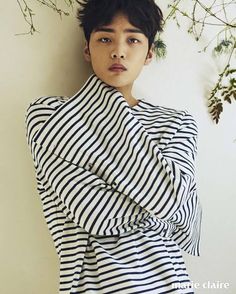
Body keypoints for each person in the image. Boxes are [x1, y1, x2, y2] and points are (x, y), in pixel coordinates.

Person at [25, 0, 202, 293]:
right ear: (87, 49)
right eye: (105, 38)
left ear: (149, 54)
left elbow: (170, 200)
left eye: (132, 39)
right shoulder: (49, 116)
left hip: (170, 284)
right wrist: (156, 210)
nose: (118, 50)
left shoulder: (177, 123)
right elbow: (93, 213)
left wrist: (163, 202)